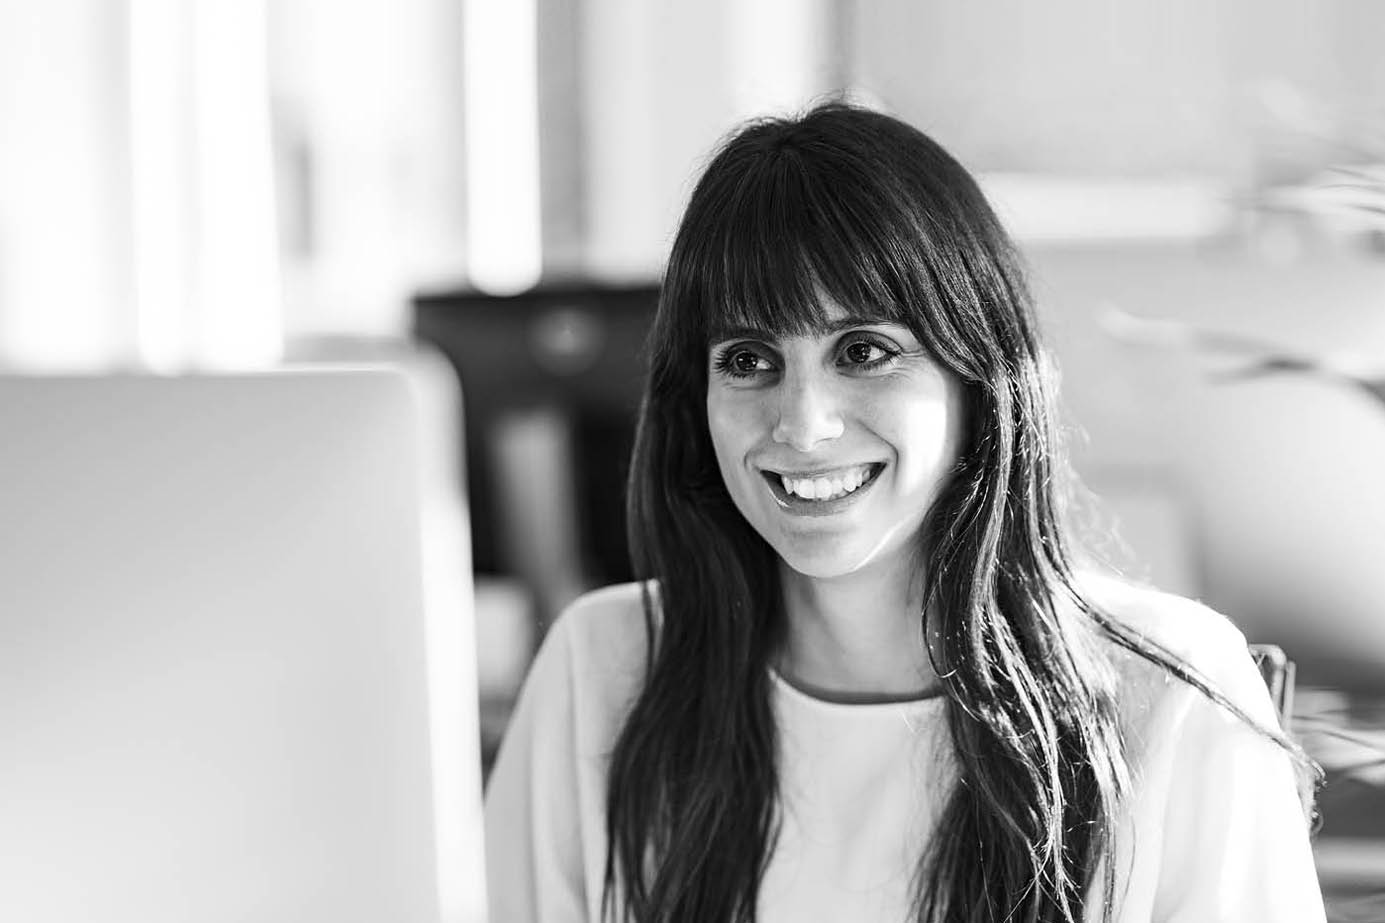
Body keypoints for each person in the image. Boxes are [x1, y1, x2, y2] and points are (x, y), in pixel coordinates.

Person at [483, 102, 1326, 922]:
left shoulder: (1172, 690)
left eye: (863, 351)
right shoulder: (600, 670)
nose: (802, 424)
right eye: (747, 359)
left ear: (976, 375)